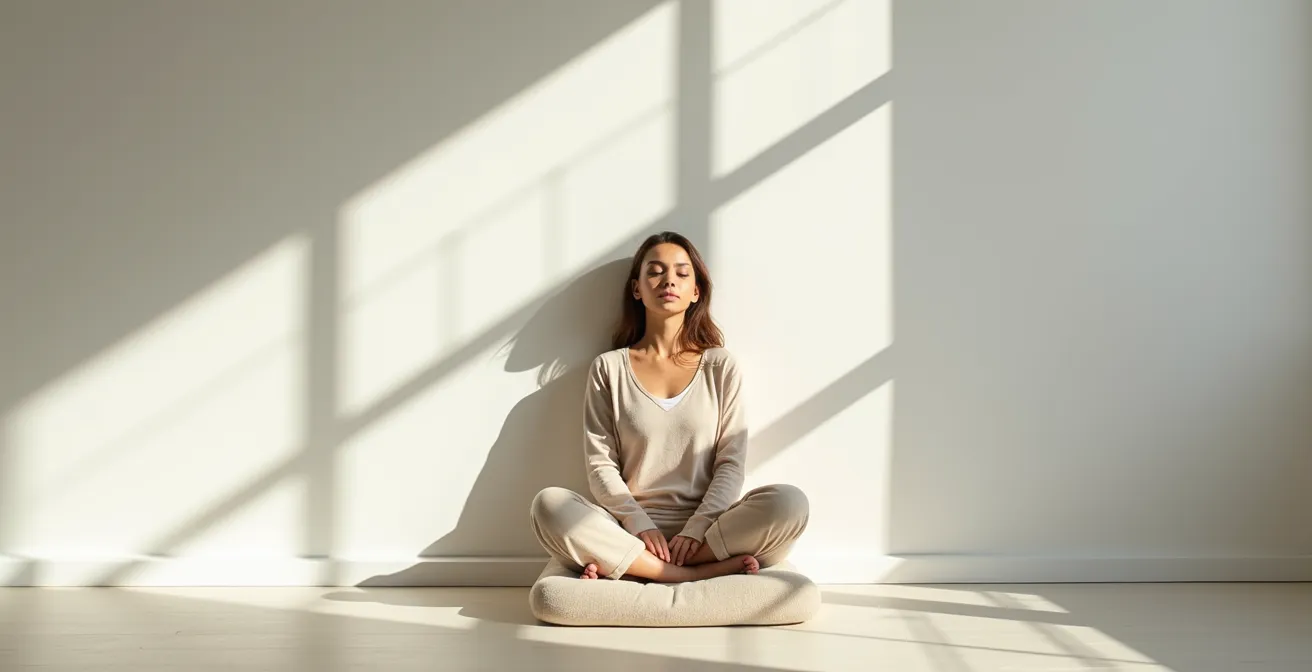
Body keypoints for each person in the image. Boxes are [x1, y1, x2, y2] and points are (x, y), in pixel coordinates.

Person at [529, 231, 809, 583]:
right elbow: (601, 466)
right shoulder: (609, 368)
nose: (668, 281)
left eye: (681, 273)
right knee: (549, 505)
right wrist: (638, 523)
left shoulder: (720, 366)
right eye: (655, 272)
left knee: (789, 504)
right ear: (637, 289)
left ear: (696, 292)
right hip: (630, 530)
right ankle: (687, 574)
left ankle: (644, 567)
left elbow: (731, 462)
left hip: (709, 530)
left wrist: (698, 527)